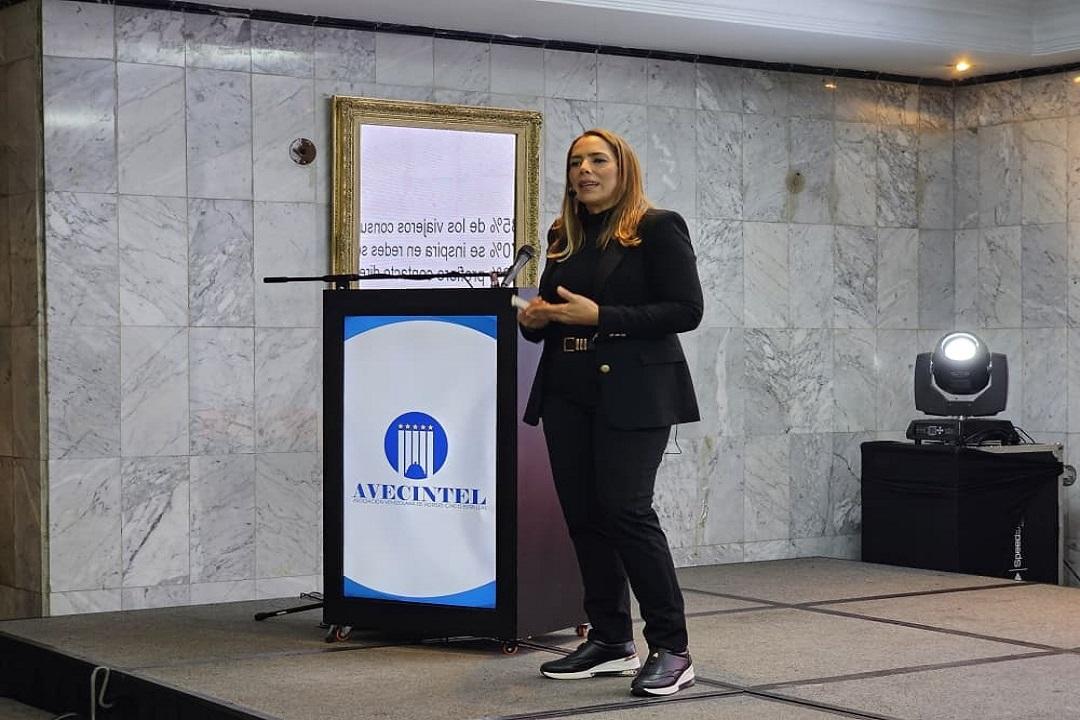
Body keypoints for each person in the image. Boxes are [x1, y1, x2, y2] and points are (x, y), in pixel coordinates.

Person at [518, 128, 703, 697]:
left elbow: (686, 310)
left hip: (636, 392)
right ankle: (611, 640)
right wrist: (535, 320)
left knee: (627, 511)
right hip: (568, 391)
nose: (585, 170)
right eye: (576, 162)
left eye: (598, 160)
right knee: (584, 516)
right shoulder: (563, 235)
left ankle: (672, 648)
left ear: (624, 169)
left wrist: (601, 316)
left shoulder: (657, 228)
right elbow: (558, 313)